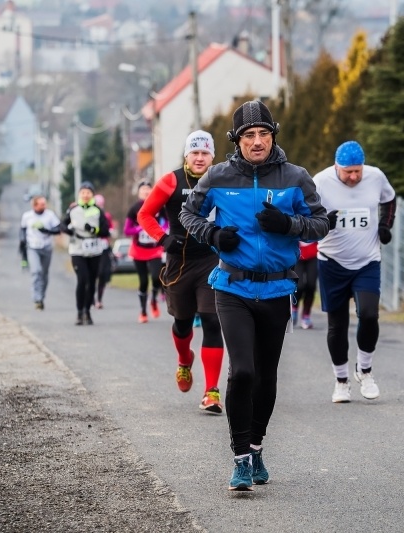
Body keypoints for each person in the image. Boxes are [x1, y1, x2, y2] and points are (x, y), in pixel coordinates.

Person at [179, 100, 329, 491]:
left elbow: (321, 223)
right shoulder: (218, 176)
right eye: (249, 135)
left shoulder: (295, 177)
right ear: (237, 140)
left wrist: (288, 224)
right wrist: (213, 234)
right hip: (233, 287)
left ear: (273, 136)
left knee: (265, 375)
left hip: (277, 289)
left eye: (264, 133)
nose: (257, 141)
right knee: (242, 371)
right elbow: (188, 214)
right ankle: (241, 458)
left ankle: (257, 447)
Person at [138, 130, 226, 414]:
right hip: (179, 264)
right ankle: (184, 360)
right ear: (187, 156)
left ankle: (211, 392)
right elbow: (144, 214)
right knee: (183, 324)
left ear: (212, 156)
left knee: (212, 321)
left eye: (205, 153)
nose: (200, 158)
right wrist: (163, 239)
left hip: (212, 262)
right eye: (195, 153)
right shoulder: (171, 181)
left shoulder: (222, 179)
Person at [312, 140, 396, 404]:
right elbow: (306, 215)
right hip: (331, 261)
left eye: (357, 171)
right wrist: (323, 223)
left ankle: (365, 370)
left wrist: (385, 225)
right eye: (348, 172)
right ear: (336, 167)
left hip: (367, 261)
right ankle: (341, 382)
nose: (353, 176)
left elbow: (389, 199)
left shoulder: (375, 176)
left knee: (369, 315)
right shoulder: (320, 182)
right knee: (337, 325)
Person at [61, 181, 111, 325]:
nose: (85, 195)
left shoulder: (98, 210)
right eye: (83, 192)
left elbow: (106, 231)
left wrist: (94, 230)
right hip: (77, 249)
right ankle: (79, 312)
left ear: (92, 195)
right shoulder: (73, 209)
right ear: (79, 194)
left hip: (94, 249)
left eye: (88, 192)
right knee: (82, 279)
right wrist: (68, 230)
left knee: (91, 281)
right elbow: (62, 224)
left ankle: (87, 311)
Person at [124, 181, 166, 323]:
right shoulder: (134, 208)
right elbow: (127, 230)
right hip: (139, 250)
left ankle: (153, 300)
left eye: (149, 189)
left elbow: (168, 222)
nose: (146, 191)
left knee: (156, 277)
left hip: (155, 249)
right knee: (143, 281)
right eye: (143, 189)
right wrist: (140, 228)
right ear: (139, 192)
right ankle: (143, 311)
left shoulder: (159, 205)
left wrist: (160, 230)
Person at [20, 195, 61, 310]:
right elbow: (22, 230)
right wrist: (22, 243)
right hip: (32, 247)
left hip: (46, 247)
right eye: (42, 204)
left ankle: (42, 296)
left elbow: (58, 229)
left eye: (45, 204)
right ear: (35, 205)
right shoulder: (27, 216)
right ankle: (36, 298)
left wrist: (47, 231)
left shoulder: (50, 215)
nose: (44, 206)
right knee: (36, 271)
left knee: (44, 273)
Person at [93, 194, 115, 309]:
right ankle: (91, 298)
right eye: (97, 205)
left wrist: (109, 232)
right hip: (92, 247)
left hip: (104, 247)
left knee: (102, 273)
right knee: (93, 274)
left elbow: (111, 228)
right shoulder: (90, 215)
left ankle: (99, 299)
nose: (99, 207)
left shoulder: (107, 216)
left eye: (101, 205)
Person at [292, 241, 318, 329]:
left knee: (311, 285)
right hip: (297, 253)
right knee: (299, 286)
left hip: (314, 252)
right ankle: (294, 307)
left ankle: (306, 315)